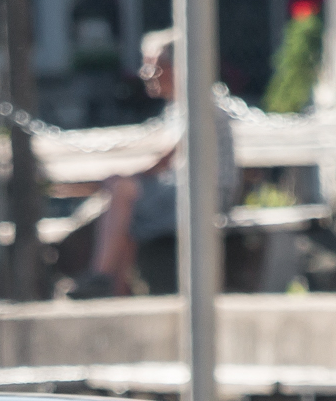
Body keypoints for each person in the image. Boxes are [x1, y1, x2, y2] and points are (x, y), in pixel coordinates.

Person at [74, 28, 241, 300]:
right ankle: (115, 290)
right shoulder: (178, 106)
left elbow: (164, 160)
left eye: (154, 66)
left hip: (203, 197)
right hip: (183, 191)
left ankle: (101, 276)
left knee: (123, 192)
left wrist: (122, 177)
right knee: (123, 201)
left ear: (178, 66)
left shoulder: (197, 103)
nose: (145, 73)